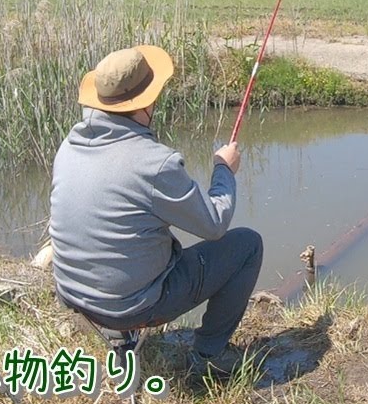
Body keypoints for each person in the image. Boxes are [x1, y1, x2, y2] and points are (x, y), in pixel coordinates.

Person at [48, 45, 263, 377]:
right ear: (145, 102)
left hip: (72, 294)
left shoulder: (68, 147)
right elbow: (214, 224)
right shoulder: (154, 163)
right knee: (248, 244)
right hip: (128, 307)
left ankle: (119, 329)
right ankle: (207, 356)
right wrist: (224, 169)